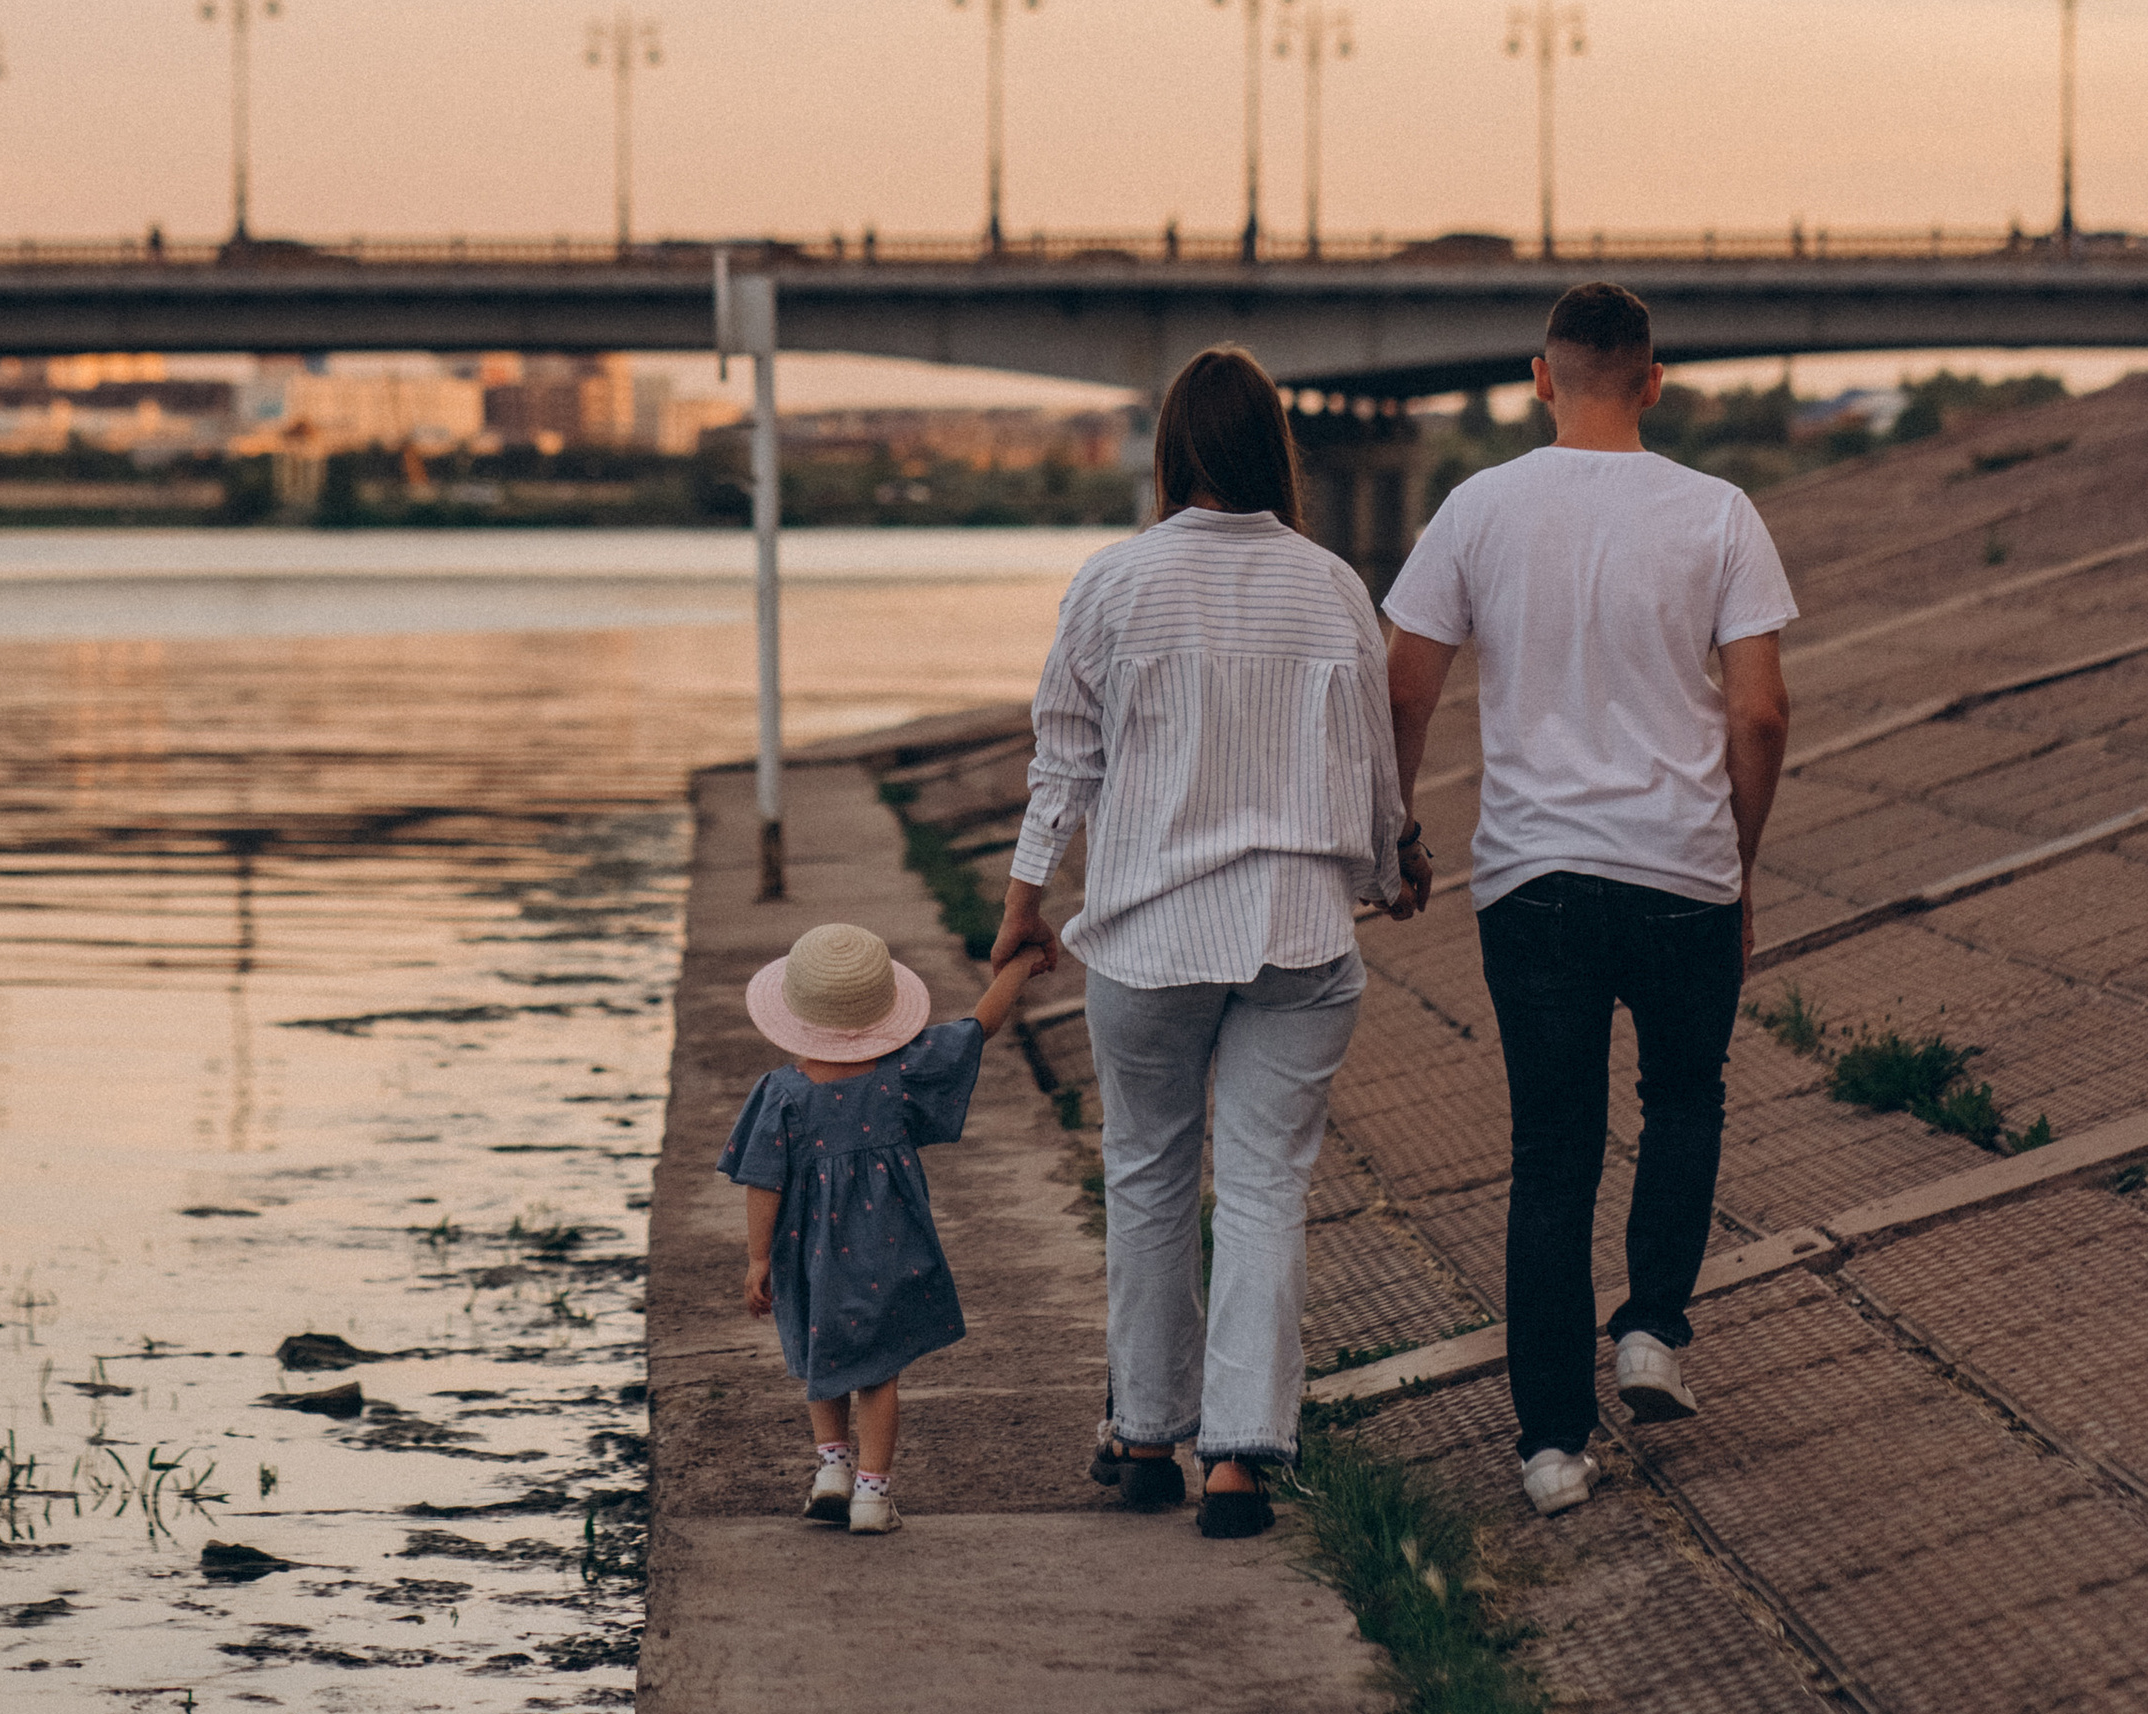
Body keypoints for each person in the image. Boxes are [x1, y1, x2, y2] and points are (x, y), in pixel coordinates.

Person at [986, 347, 1428, 1539]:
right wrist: (1391, 865)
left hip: (1146, 932)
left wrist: (1025, 902)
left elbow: (1063, 759)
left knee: (1144, 1180)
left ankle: (1142, 1433)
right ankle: (1238, 1457)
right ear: (1272, 449)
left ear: (1172, 450)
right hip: (1295, 932)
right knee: (1266, 1191)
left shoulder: (1112, 583)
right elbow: (1371, 760)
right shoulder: (1334, 585)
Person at [1382, 280, 1795, 1520]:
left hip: (1533, 879)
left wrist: (1393, 829)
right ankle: (1654, 1328)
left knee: (1550, 1160)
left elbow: (1403, 692)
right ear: (1655, 382)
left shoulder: (1477, 508)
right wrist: (1739, 857)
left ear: (1539, 378)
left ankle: (1551, 1447)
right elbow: (1761, 712)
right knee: (1684, 1097)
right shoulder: (1719, 514)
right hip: (1682, 872)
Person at [722, 917, 1046, 1535]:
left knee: (821, 1354)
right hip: (887, 1246)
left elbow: (763, 1181)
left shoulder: (781, 1094)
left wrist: (758, 1258)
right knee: (879, 1371)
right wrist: (1020, 966)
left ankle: (832, 1470)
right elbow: (979, 1027)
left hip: (805, 1250)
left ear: (794, 1016)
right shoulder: (903, 1072)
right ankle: (872, 1494)